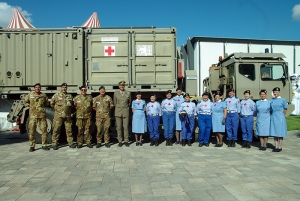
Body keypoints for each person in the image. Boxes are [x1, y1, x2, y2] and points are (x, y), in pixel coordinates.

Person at [24, 83, 49, 152]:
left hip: (42, 116)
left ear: (40, 88)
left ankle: (44, 145)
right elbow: (25, 102)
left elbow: (47, 103)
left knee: (44, 131)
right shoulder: (30, 95)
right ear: (34, 88)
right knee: (32, 131)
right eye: (36, 87)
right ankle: (32, 146)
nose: (37, 88)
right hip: (33, 116)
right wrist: (30, 106)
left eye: (39, 87)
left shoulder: (43, 96)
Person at [51, 83, 76, 150]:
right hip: (58, 116)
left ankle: (70, 143)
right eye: (63, 87)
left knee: (69, 130)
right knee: (56, 129)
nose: (64, 88)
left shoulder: (70, 96)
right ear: (61, 88)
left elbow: (72, 105)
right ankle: (54, 143)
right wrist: (58, 110)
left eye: (65, 87)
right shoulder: (56, 95)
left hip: (67, 116)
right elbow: (52, 104)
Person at [114, 81, 131, 147]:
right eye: (121, 85)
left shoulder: (128, 93)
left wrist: (125, 108)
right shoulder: (116, 93)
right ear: (119, 86)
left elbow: (129, 103)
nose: (122, 86)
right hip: (118, 112)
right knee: (119, 127)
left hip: (125, 112)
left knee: (126, 127)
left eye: (123, 85)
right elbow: (115, 103)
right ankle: (120, 141)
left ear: (124, 86)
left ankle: (126, 140)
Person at [270, 87, 288, 152]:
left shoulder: (283, 100)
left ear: (279, 92)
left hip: (280, 117)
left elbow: (285, 109)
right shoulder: (272, 100)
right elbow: (270, 109)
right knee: (274, 132)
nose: (275, 93)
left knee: (280, 132)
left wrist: (283, 116)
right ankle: (276, 146)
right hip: (274, 116)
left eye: (276, 92)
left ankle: (280, 146)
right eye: (274, 92)